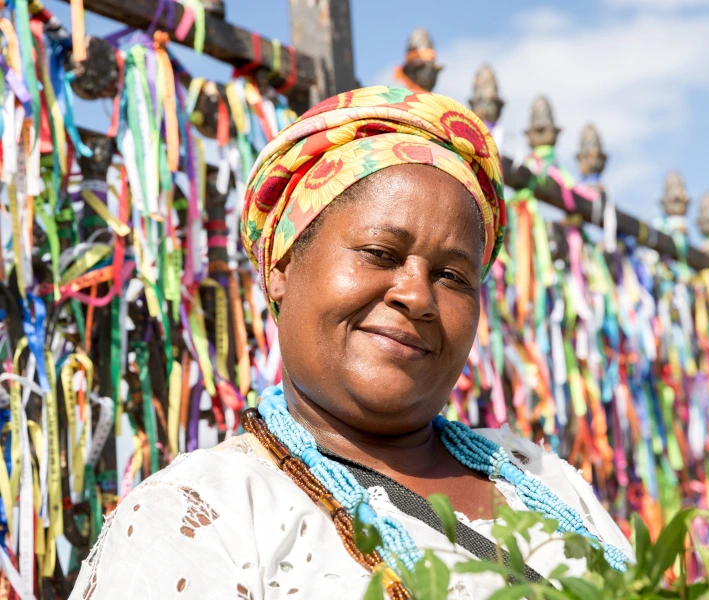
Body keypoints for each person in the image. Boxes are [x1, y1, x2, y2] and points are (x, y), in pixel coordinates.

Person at [69, 86, 632, 600]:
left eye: (454, 276)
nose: (417, 296)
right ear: (283, 268)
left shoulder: (541, 480)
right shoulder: (201, 516)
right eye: (379, 254)